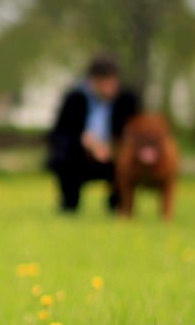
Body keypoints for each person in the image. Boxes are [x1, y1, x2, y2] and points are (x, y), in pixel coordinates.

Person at [46, 55, 141, 213]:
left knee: (129, 159)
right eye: (107, 82)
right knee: (66, 158)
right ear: (94, 81)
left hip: (115, 154)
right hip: (82, 155)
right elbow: (60, 133)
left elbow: (135, 130)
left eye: (114, 81)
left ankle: (119, 205)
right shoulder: (74, 99)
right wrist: (86, 142)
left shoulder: (126, 100)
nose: (112, 86)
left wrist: (113, 147)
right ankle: (69, 203)